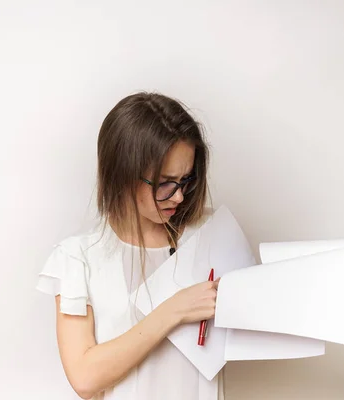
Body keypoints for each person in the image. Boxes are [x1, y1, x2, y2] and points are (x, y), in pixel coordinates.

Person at [36, 92, 224, 400]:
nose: (179, 196)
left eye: (186, 179)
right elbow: (84, 378)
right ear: (122, 175)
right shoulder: (78, 258)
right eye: (165, 182)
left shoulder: (210, 234)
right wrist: (173, 311)